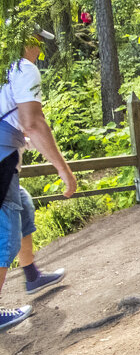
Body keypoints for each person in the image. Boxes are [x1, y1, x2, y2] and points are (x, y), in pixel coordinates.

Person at [0, 28, 76, 332]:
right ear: (28, 41)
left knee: (24, 205)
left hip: (7, 152)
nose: (41, 48)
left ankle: (31, 275)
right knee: (7, 229)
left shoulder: (7, 68)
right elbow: (33, 122)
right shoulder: (24, 67)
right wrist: (63, 168)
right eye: (39, 41)